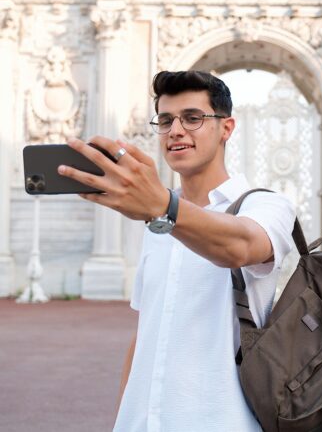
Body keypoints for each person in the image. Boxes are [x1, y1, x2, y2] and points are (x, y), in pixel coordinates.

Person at [58, 71, 296, 432]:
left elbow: (241, 246)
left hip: (226, 421)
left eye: (193, 118)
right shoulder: (156, 221)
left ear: (227, 128)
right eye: (166, 120)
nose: (176, 130)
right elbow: (145, 333)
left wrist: (163, 208)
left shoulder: (266, 206)